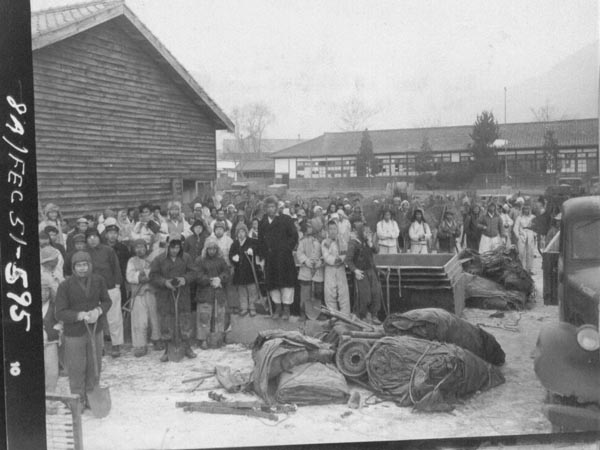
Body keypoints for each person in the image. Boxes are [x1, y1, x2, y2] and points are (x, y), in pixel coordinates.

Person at [55, 251, 112, 410]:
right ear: (73, 268)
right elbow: (59, 312)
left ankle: (91, 395)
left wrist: (98, 311)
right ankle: (78, 399)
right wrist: (78, 315)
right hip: (74, 333)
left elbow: (107, 301)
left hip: (95, 330)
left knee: (95, 364)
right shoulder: (65, 285)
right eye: (78, 265)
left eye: (85, 265)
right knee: (76, 367)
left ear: (90, 265)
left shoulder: (98, 280)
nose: (82, 268)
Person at [149, 237, 197, 361]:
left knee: (185, 320)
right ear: (167, 246)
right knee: (166, 322)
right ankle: (167, 348)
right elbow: (153, 275)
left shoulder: (186, 258)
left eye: (177, 247)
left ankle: (186, 347)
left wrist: (184, 279)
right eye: (172, 247)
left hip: (183, 294)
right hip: (165, 295)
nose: (175, 250)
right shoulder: (159, 259)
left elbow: (194, 272)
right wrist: (164, 282)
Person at [257, 196, 299, 320]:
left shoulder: (286, 219)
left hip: (284, 258)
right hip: (270, 259)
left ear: (276, 208)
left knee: (286, 284)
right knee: (273, 285)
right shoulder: (262, 223)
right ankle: (277, 308)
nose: (271, 209)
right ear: (265, 209)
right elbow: (260, 241)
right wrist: (263, 254)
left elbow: (294, 236)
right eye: (268, 207)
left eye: (273, 206)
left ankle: (286, 310)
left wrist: (287, 248)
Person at [85, 228, 124, 358]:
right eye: (89, 237)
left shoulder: (108, 250)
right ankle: (99, 346)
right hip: (92, 290)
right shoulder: (84, 253)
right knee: (96, 317)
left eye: (94, 236)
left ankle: (116, 344)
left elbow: (116, 267)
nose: (92, 239)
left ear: (99, 237)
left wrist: (117, 283)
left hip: (110, 287)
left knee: (114, 317)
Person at [126, 239, 162, 357]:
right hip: (138, 293)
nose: (139, 250)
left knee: (154, 317)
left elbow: (157, 272)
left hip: (151, 292)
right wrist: (140, 276)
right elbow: (129, 276)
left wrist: (150, 276)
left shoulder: (153, 259)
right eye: (137, 247)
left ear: (146, 247)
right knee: (139, 320)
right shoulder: (132, 260)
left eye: (142, 247)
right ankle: (140, 345)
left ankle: (156, 339)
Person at [195, 237, 231, 349]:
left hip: (218, 292)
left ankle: (218, 337)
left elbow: (226, 272)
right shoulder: (200, 260)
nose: (212, 251)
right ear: (206, 249)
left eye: (214, 248)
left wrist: (220, 278)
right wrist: (210, 280)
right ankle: (203, 339)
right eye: (210, 249)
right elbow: (197, 275)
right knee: (204, 316)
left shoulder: (221, 260)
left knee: (219, 316)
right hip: (205, 293)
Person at [345, 218, 382, 324]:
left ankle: (374, 315)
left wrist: (371, 244)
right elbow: (348, 260)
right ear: (360, 232)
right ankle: (362, 316)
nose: (367, 233)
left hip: (371, 271)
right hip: (361, 273)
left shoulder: (368, 242)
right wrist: (355, 270)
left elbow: (377, 251)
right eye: (365, 231)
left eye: (368, 231)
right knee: (364, 296)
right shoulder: (353, 243)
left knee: (376, 293)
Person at [229, 223, 259, 317]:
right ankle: (244, 308)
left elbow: (257, 248)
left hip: (250, 271)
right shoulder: (235, 243)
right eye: (239, 232)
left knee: (252, 290)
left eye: (242, 231)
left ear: (246, 232)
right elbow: (231, 254)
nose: (241, 234)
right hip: (239, 271)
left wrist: (252, 250)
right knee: (242, 291)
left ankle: (252, 308)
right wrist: (233, 258)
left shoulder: (251, 241)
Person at [296, 219, 324, 320]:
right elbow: (299, 253)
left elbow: (325, 254)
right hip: (306, 270)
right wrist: (306, 261)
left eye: (310, 227)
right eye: (308, 227)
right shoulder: (303, 240)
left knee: (318, 292)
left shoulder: (322, 241)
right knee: (305, 292)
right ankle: (303, 312)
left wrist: (320, 262)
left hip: (318, 270)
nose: (308, 229)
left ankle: (317, 312)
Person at [321, 220, 351, 315]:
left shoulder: (342, 240)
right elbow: (326, 257)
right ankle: (334, 315)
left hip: (340, 269)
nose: (333, 231)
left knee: (343, 293)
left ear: (337, 230)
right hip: (330, 269)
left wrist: (341, 259)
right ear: (327, 230)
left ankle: (345, 315)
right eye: (330, 229)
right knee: (330, 293)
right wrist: (336, 260)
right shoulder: (325, 242)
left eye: (334, 228)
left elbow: (345, 254)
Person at [104, 221, 131, 314]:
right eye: (110, 233)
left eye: (115, 233)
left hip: (120, 279)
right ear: (106, 235)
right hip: (105, 280)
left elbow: (127, 263)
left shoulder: (122, 248)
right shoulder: (102, 247)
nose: (113, 235)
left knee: (122, 302)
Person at [41, 272, 61, 393]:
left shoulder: (54, 306)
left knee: (52, 371)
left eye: (46, 291)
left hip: (51, 343)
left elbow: (61, 322)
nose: (44, 294)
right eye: (41, 291)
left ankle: (50, 396)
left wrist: (55, 330)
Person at [513, 204, 536, 274]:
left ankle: (530, 268)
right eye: (525, 209)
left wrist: (535, 234)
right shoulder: (519, 218)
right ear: (522, 210)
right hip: (522, 235)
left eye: (528, 209)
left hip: (530, 235)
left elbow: (536, 227)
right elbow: (515, 228)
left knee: (530, 252)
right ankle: (522, 268)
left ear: (529, 210)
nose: (526, 210)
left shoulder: (533, 217)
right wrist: (518, 236)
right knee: (521, 253)